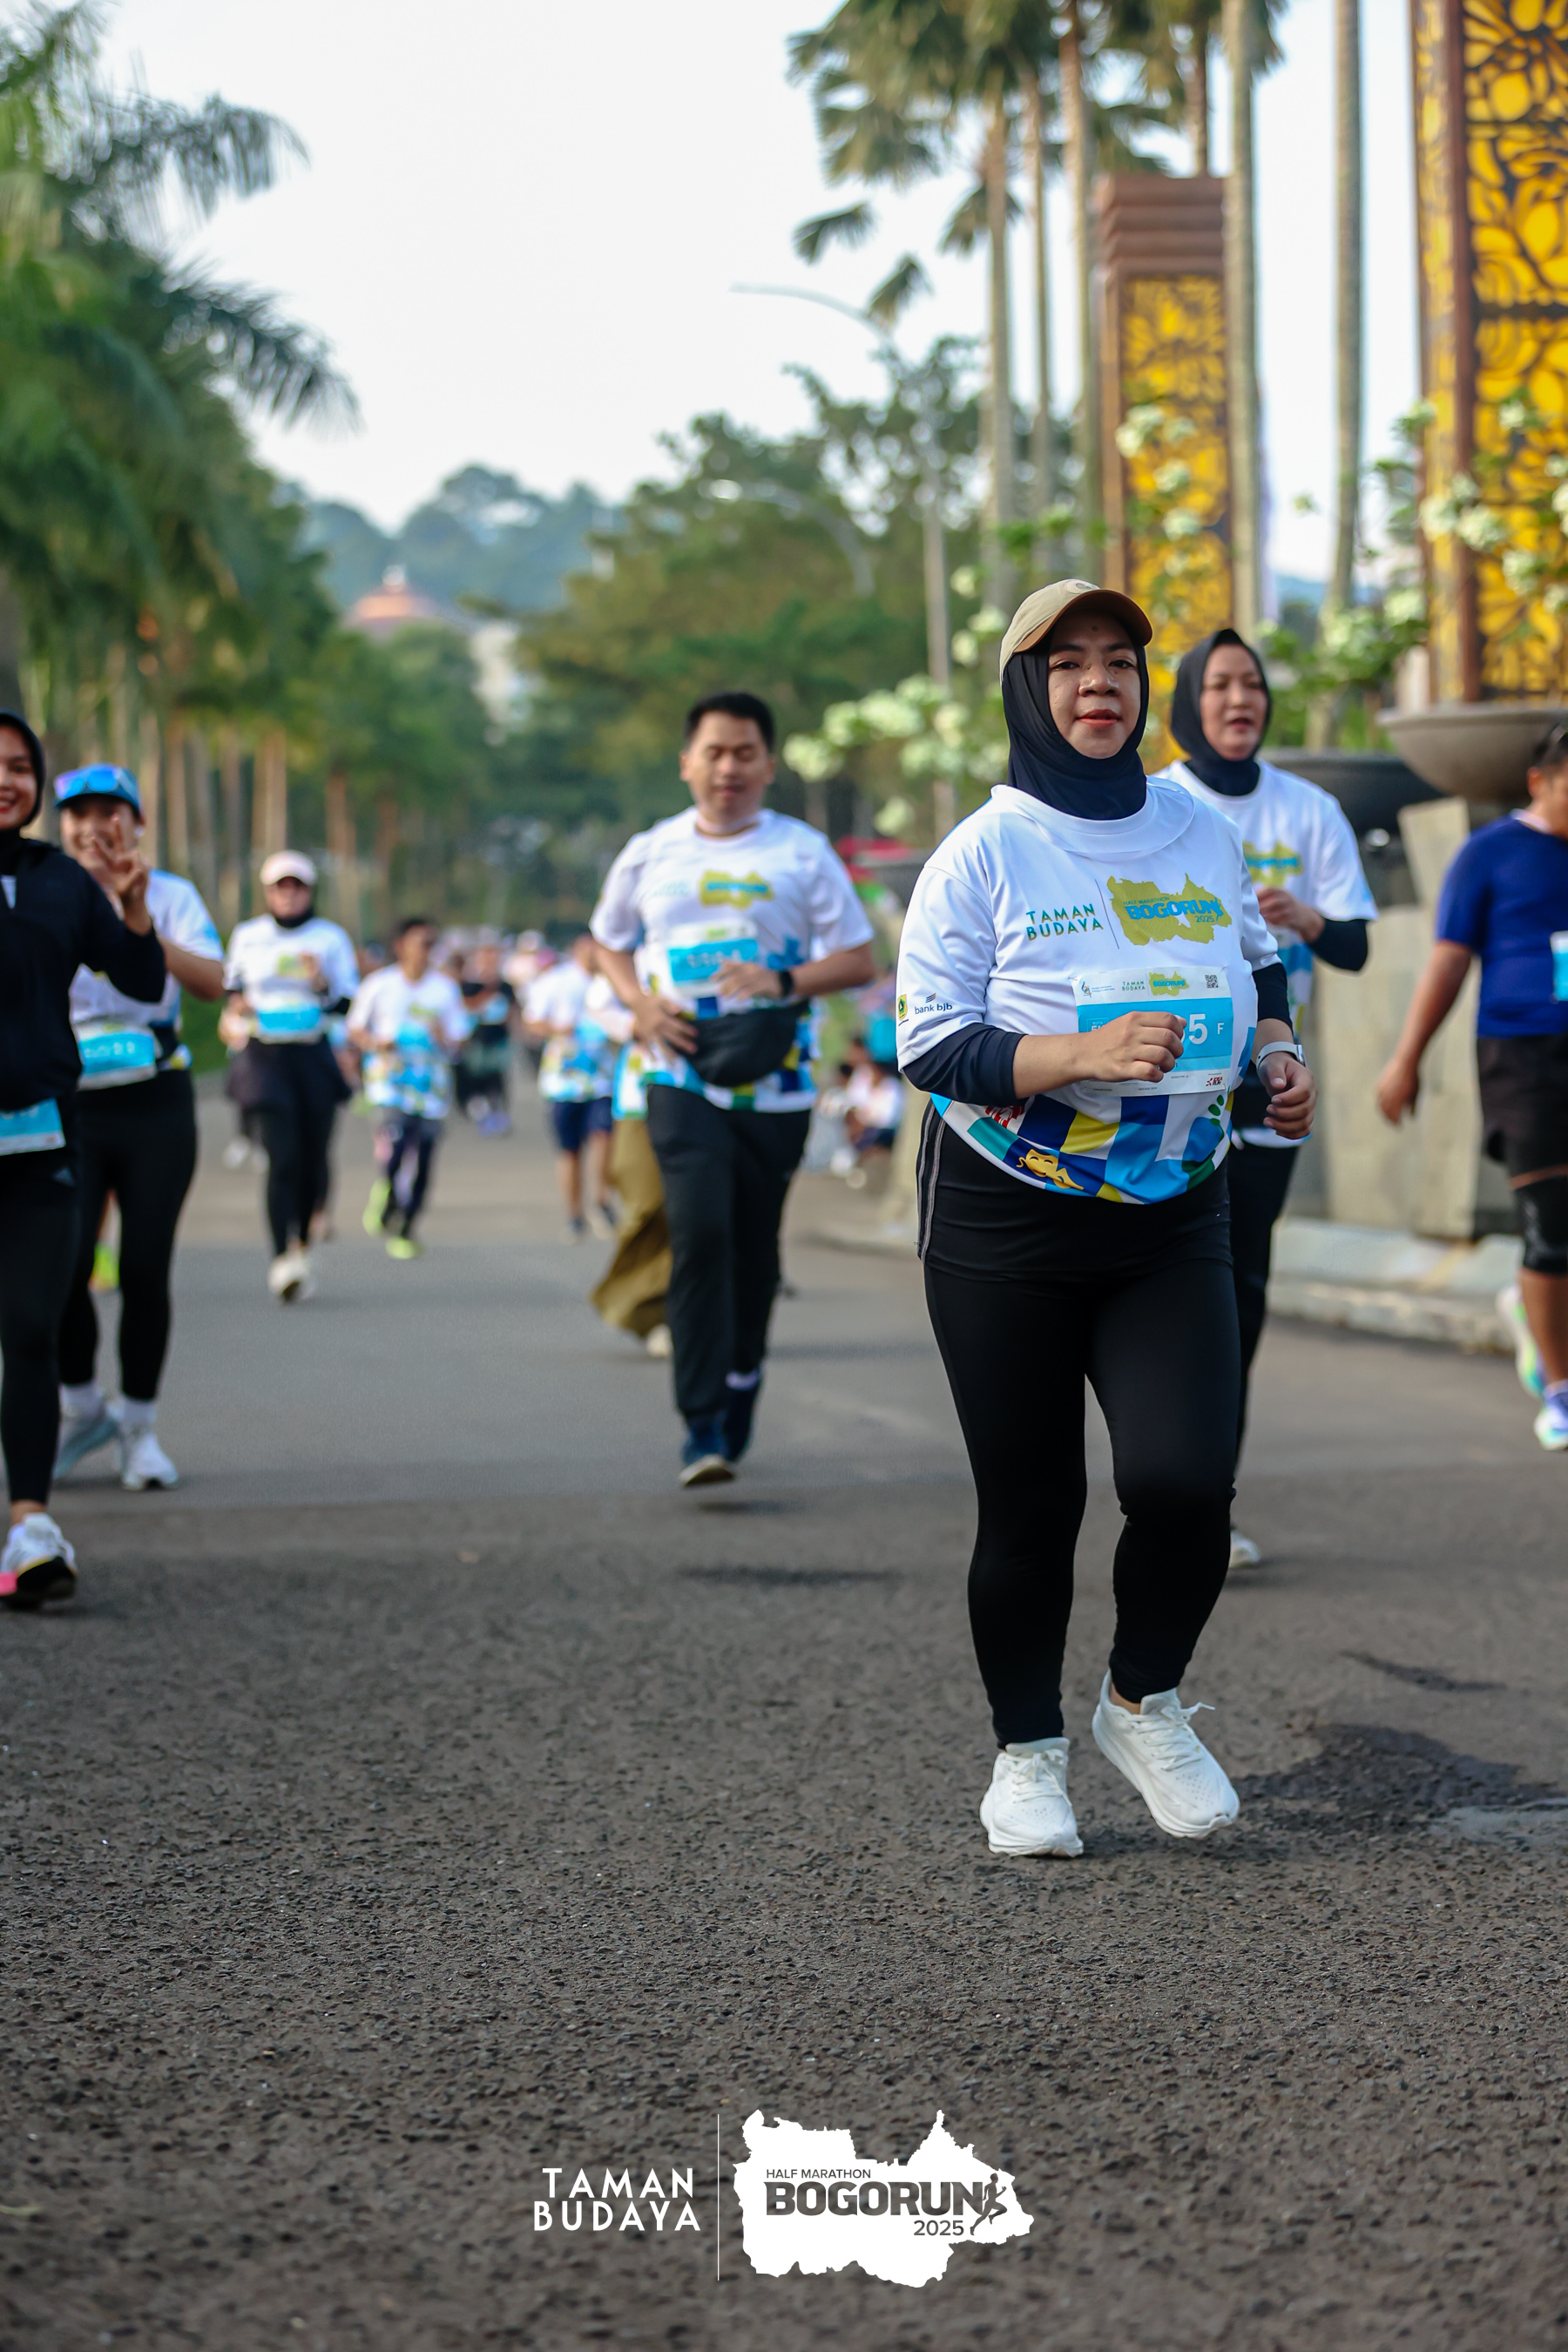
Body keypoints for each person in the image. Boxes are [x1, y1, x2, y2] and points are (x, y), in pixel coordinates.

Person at [896, 581, 1315, 1856]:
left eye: (1120, 662)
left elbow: (1256, 962)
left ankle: (1143, 1702)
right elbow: (929, 1043)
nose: (1098, 684)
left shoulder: (1196, 828)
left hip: (1174, 1204)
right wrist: (1075, 1053)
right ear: (1028, 691)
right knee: (1033, 1509)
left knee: (1187, 1482)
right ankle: (1026, 1757)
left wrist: (1277, 1052)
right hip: (1006, 1213)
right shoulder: (985, 850)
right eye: (1068, 664)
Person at [593, 690, 876, 1486]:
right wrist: (640, 1004)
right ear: (687, 763)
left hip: (773, 1081)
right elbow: (608, 942)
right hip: (677, 1071)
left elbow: (857, 958)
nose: (729, 767)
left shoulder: (802, 852)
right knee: (699, 1230)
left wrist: (782, 980)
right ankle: (701, 1424)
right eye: (714, 752)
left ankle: (743, 1376)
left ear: (768, 765)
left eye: (744, 753)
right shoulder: (651, 851)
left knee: (753, 1249)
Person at [1154, 627, 1376, 1567]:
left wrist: (1304, 918)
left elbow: (1355, 946)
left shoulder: (1308, 809)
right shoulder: (1156, 804)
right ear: (1188, 702)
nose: (1239, 699)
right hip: (1165, 1091)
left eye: (1251, 683)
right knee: (1162, 1297)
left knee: (1237, 1297)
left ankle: (1209, 1503)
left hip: (1271, 1087)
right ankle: (1156, 1482)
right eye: (1219, 685)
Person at [0, 713, 165, 1607]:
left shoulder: (60, 880)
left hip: (38, 1143)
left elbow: (140, 978)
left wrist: (133, 908)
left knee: (30, 1328)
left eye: (20, 766)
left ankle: (30, 1525)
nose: (7, 781)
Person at [1377, 719, 1568, 1451]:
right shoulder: (1489, 853)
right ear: (1539, 782)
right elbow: (1449, 961)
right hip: (1522, 1056)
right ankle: (1559, 1387)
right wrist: (1406, 1059)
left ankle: (1531, 1312)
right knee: (1551, 1222)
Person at [51, 765, 225, 1491]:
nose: (95, 826)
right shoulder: (41, 891)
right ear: (60, 825)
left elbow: (211, 983)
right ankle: (83, 1407)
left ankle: (140, 1429)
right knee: (62, 1267)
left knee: (145, 1271)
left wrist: (136, 913)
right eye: (80, 813)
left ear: (138, 822)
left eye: (110, 811)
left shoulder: (172, 894)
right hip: (69, 1104)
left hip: (155, 1100)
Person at [221, 853, 360, 1301]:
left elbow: (346, 1003)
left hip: (313, 1054)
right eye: (280, 886)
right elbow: (231, 988)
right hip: (265, 1056)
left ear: (309, 891)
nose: (288, 894)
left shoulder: (329, 938)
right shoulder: (249, 936)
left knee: (312, 1157)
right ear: (268, 892)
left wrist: (319, 982)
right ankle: (282, 1254)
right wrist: (238, 1007)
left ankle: (303, 1241)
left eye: (296, 886)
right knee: (282, 1158)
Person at [348, 916, 470, 1259]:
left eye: (432, 944)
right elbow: (356, 1028)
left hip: (431, 1087)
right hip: (390, 1082)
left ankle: (407, 1226)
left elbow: (460, 1038)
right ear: (400, 946)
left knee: (426, 1156)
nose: (427, 951)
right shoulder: (379, 985)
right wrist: (374, 1043)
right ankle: (387, 1192)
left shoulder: (444, 989)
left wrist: (444, 1037)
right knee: (397, 1142)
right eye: (421, 943)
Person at [589, 1006, 673, 1357]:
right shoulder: (622, 969)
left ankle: (685, 1314)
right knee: (648, 1203)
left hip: (716, 1089)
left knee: (702, 1211)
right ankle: (647, 1310)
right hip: (642, 1095)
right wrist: (636, 1023)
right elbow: (599, 1005)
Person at [525, 934, 618, 1241]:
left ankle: (602, 1201)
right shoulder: (555, 981)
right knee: (571, 1152)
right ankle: (574, 1214)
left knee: (605, 1137)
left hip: (602, 1079)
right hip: (563, 1083)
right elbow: (532, 1022)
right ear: (580, 948)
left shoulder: (612, 980)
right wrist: (556, 1029)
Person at [457, 939, 519, 1133]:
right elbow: (465, 1006)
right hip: (477, 1038)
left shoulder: (505, 986)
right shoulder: (470, 985)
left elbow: (513, 1009)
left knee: (497, 1078)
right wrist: (486, 994)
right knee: (476, 1077)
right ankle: (480, 1113)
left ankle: (498, 1114)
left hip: (499, 1038)